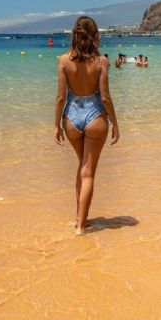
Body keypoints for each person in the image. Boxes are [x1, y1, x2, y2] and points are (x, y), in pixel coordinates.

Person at [55, 15, 119, 235]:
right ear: (95, 36)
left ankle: (78, 218)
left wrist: (56, 125)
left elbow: (60, 98)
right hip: (95, 117)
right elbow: (106, 98)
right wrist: (116, 124)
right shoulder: (101, 62)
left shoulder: (63, 60)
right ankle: (81, 227)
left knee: (81, 167)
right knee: (88, 173)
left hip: (71, 118)